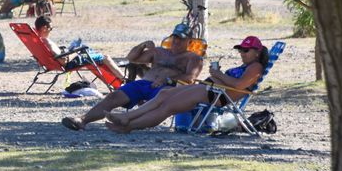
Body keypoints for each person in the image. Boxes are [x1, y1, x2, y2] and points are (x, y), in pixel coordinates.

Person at [104, 36, 268, 134]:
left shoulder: (256, 67)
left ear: (257, 52)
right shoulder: (248, 66)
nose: (242, 54)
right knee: (164, 94)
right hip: (208, 89)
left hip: (217, 95)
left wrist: (218, 74)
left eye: (246, 51)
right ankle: (127, 117)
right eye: (241, 50)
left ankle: (129, 125)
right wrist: (217, 76)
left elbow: (239, 85)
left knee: (167, 107)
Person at [61, 23, 204, 131]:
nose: (176, 42)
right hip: (143, 84)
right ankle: (82, 120)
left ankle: (127, 123)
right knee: (113, 97)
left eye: (181, 39)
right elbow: (132, 58)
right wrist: (143, 45)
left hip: (167, 88)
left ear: (189, 42)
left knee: (156, 104)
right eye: (175, 38)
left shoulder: (193, 58)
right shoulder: (159, 52)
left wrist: (168, 79)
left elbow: (190, 78)